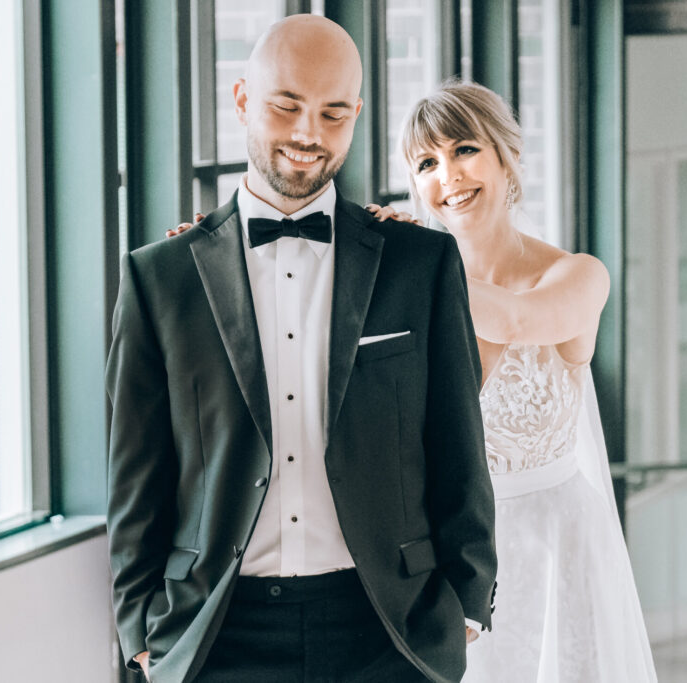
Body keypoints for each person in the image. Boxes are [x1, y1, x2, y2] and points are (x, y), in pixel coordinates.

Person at [106, 15, 497, 683]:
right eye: (287, 105)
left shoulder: (419, 264)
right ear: (241, 100)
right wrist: (140, 628)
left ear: (357, 115)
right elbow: (136, 477)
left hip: (386, 630)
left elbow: (456, 440)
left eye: (333, 113)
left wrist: (465, 600)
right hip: (215, 634)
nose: (308, 133)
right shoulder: (160, 278)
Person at [380, 80, 657, 681]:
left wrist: (411, 261)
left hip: (558, 555)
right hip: (445, 562)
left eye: (464, 149)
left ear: (507, 155)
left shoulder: (579, 275)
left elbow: (516, 317)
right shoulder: (410, 289)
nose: (448, 174)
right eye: (427, 162)